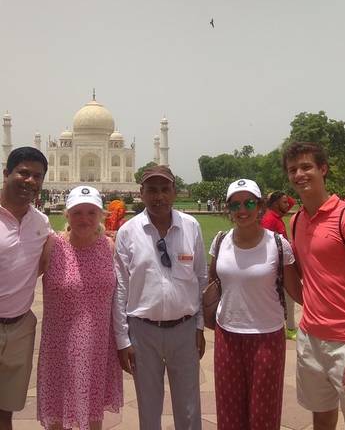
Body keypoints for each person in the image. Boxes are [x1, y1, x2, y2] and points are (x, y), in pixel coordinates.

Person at [282, 142, 345, 430]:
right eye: (293, 169)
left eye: (307, 166)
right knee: (321, 416)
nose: (300, 174)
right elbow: (302, 282)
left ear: (323, 169)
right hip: (311, 338)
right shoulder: (297, 222)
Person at [113, 165, 207, 430]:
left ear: (174, 192)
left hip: (184, 328)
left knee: (189, 407)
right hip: (143, 331)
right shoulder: (128, 232)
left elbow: (200, 278)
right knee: (149, 407)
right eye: (152, 190)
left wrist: (199, 326)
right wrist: (122, 339)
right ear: (141, 193)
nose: (159, 196)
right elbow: (120, 288)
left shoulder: (191, 227)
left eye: (165, 189)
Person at [210, 178, 302, 430]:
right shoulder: (220, 241)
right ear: (227, 209)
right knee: (229, 413)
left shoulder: (276, 244)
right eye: (235, 204)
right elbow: (212, 283)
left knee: (264, 414)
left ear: (260, 206)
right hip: (227, 334)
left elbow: (297, 290)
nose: (242, 210)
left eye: (249, 202)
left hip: (267, 336)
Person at [37, 185, 123, 430]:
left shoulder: (110, 247)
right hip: (59, 345)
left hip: (98, 345)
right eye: (77, 212)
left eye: (91, 212)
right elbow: (19, 275)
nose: (84, 219)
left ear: (101, 215)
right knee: (58, 414)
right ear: (67, 215)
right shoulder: (52, 246)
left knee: (93, 413)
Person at [0, 146, 50, 430]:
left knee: (6, 411)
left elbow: (44, 263)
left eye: (37, 176)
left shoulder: (41, 223)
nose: (30, 180)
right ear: (6, 173)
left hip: (19, 328)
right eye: (23, 173)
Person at [261, 190, 298, 340]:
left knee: (288, 300)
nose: (287, 205)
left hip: (283, 266)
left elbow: (292, 202)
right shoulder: (269, 219)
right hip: (277, 268)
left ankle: (288, 328)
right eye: (283, 202)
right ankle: (289, 329)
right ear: (276, 204)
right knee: (288, 299)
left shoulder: (277, 216)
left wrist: (277, 196)